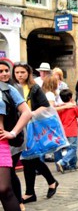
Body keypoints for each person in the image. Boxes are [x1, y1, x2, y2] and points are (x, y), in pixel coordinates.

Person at [11, 62, 60, 204]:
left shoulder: (34, 88)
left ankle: (30, 193)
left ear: (28, 74)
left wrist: (30, 113)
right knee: (30, 159)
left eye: (23, 72)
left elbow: (46, 106)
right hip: (18, 127)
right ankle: (48, 183)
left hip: (31, 128)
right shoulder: (12, 87)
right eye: (17, 72)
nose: (19, 75)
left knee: (30, 159)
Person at [0, 62, 34, 211]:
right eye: (1, 71)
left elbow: (27, 113)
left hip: (1, 143)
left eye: (7, 70)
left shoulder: (8, 89)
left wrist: (13, 132)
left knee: (4, 188)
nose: (5, 73)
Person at [54, 89, 78, 173]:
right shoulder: (73, 107)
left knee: (61, 148)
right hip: (72, 130)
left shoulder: (59, 108)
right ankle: (62, 162)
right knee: (73, 148)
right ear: (70, 97)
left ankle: (71, 165)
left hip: (61, 131)